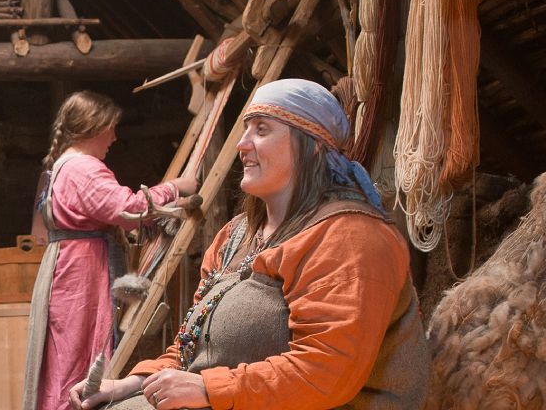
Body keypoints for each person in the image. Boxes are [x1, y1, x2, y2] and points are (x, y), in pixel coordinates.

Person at [72, 79, 429, 410]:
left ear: (314, 146)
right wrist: (131, 383)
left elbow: (327, 370)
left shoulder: (351, 239)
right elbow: (190, 346)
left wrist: (209, 389)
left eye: (262, 130)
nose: (242, 144)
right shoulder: (236, 237)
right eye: (245, 129)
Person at [22, 91, 198, 410]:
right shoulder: (82, 168)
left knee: (67, 355)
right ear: (95, 126)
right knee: (75, 357)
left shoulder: (64, 165)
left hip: (72, 265)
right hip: (80, 272)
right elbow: (126, 208)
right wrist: (175, 187)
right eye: (111, 128)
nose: (114, 138)